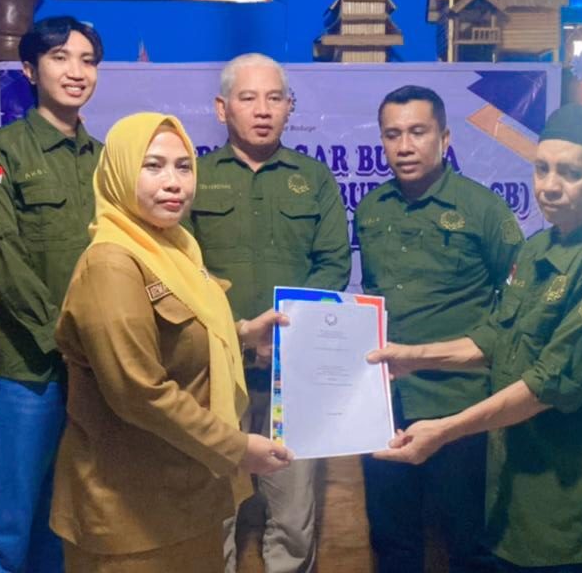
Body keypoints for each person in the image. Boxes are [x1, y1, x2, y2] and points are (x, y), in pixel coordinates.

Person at [370, 104, 582, 573]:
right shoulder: (538, 248)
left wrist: (445, 430)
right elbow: (495, 338)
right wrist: (412, 357)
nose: (549, 186)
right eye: (542, 168)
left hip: (571, 513)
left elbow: (546, 384)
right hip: (513, 501)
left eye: (571, 173)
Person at [50, 112, 295, 573]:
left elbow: (177, 335)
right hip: (129, 510)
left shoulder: (174, 248)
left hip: (186, 494)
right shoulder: (112, 264)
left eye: (184, 167)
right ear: (120, 172)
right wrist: (237, 448)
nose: (173, 182)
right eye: (153, 166)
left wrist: (241, 334)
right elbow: (138, 391)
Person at [187, 53, 351, 573]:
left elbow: (334, 264)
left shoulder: (314, 178)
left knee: (294, 518)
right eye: (248, 98)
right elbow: (180, 271)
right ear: (222, 108)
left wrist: (284, 338)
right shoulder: (193, 177)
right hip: (216, 373)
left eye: (274, 98)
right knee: (214, 512)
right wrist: (237, 334)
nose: (263, 110)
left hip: (291, 376)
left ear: (289, 107)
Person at [353, 85, 522, 572]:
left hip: (460, 407)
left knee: (468, 545)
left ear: (445, 138)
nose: (405, 146)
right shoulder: (370, 209)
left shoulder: (483, 209)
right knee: (393, 543)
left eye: (418, 132)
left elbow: (516, 302)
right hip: (387, 408)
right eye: (393, 135)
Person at [0, 16, 104, 573]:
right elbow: (1, 261)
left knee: (63, 524)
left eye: (87, 60)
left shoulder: (106, 161)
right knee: (5, 531)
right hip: (28, 371)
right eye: (60, 58)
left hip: (95, 371)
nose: (76, 71)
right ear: (29, 69)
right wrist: (62, 339)